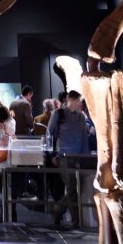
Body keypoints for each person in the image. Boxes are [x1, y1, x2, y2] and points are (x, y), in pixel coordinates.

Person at [47, 91, 89, 228]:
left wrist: (85, 157)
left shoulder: (81, 116)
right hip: (63, 157)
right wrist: (52, 155)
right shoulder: (58, 114)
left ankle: (57, 209)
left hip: (79, 158)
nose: (79, 104)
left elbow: (84, 137)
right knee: (72, 189)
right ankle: (76, 222)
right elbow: (49, 134)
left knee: (77, 189)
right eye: (78, 101)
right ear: (71, 100)